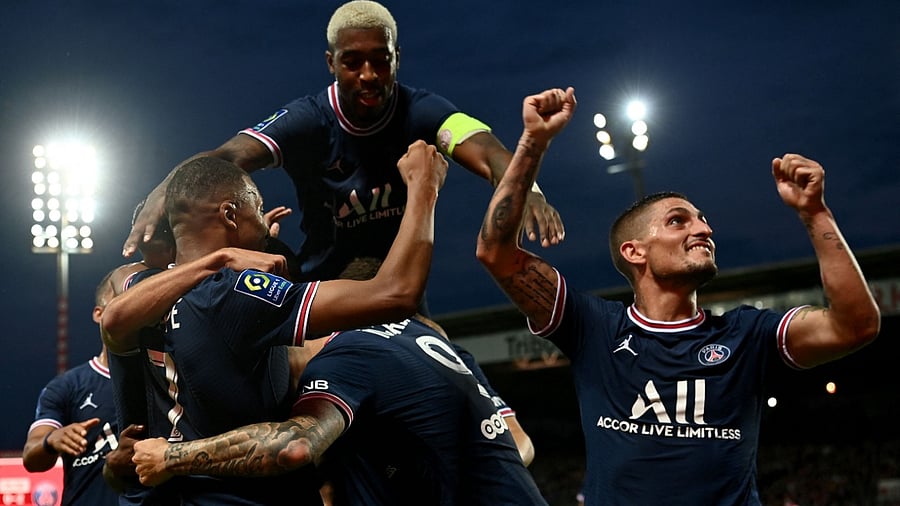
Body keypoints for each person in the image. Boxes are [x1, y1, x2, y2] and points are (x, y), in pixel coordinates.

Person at [475, 86, 882, 504]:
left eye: (702, 221)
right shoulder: (594, 328)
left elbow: (856, 325)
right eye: (678, 221)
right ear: (635, 252)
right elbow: (496, 252)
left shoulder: (747, 335)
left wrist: (815, 212)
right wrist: (532, 144)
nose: (703, 230)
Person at [122, 0, 565, 311]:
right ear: (331, 63)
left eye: (381, 60)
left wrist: (531, 188)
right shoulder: (307, 119)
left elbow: (489, 152)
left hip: (400, 289)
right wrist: (165, 187)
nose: (369, 75)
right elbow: (225, 157)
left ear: (397, 58)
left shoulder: (423, 109)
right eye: (353, 62)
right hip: (320, 290)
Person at [102, 140, 447, 504]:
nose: (264, 223)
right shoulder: (242, 291)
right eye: (258, 207)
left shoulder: (139, 291)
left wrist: (228, 251)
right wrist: (424, 188)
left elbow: (115, 314)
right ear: (230, 215)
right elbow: (395, 294)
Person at [129, 263, 546, 505]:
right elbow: (521, 446)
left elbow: (293, 446)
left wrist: (172, 457)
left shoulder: (345, 356)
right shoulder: (436, 342)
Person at [22, 270, 123, 505]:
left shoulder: (163, 377)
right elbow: (31, 456)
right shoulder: (66, 386)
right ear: (99, 314)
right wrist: (51, 439)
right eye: (118, 298)